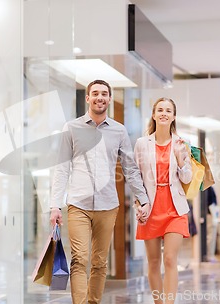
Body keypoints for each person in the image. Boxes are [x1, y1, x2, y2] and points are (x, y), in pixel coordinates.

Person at [49, 79, 149, 304]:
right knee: (79, 259)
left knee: (99, 262)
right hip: (78, 205)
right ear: (87, 98)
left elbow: (130, 169)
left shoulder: (119, 130)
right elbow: (62, 168)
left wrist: (142, 199)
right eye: (95, 93)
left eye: (104, 93)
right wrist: (55, 205)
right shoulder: (71, 128)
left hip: (108, 205)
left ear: (110, 99)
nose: (99, 97)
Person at [134, 97, 192, 304]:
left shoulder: (181, 143)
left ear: (174, 116)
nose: (164, 113)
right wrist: (138, 203)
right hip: (151, 209)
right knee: (153, 262)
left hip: (175, 209)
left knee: (169, 259)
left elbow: (187, 178)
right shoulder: (142, 144)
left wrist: (180, 159)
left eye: (168, 110)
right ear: (154, 114)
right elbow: (135, 178)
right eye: (160, 110)